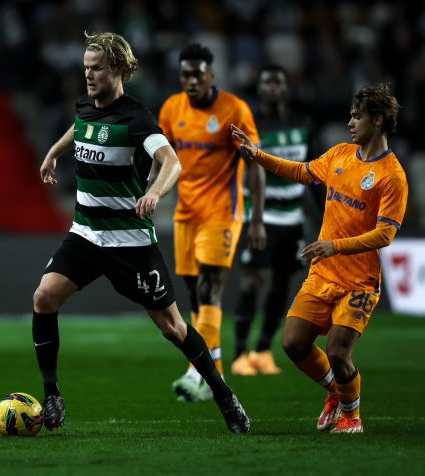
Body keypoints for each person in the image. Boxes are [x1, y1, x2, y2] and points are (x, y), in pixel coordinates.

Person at [33, 31, 250, 434]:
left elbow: (171, 162)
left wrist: (153, 192)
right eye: (85, 69)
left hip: (130, 244)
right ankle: (52, 395)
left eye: (96, 69)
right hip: (85, 234)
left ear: (117, 69)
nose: (89, 76)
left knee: (173, 328)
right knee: (44, 297)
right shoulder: (85, 105)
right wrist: (53, 153)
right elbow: (80, 126)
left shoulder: (136, 117)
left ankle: (223, 395)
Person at [231, 82, 408, 433]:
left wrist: (335, 246)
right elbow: (301, 171)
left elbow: (386, 234)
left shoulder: (392, 176)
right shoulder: (340, 154)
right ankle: (336, 393)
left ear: (377, 120)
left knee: (339, 352)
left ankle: (352, 418)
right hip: (323, 274)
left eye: (356, 116)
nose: (350, 122)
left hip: (359, 281)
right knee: (292, 343)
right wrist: (258, 155)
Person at [157, 43, 266, 401]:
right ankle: (213, 370)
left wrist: (256, 219)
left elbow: (254, 164)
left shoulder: (234, 110)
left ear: (211, 75)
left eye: (197, 74)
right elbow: (161, 158)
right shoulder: (172, 109)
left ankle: (194, 373)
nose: (190, 80)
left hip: (223, 213)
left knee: (209, 289)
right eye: (185, 74)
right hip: (186, 214)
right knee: (194, 293)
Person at [230, 65, 315, 376]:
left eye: (278, 82)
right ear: (260, 89)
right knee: (252, 280)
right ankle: (240, 354)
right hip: (260, 217)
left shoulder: (303, 124)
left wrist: (318, 216)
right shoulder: (250, 125)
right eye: (267, 82)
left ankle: (264, 350)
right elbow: (242, 170)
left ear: (286, 88)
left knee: (283, 281)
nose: (273, 87)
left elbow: (313, 172)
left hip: (293, 219)